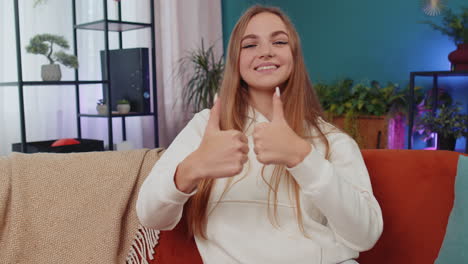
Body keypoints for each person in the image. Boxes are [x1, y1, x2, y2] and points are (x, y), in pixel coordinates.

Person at [136, 5, 383, 264]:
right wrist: (193, 167)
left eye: (278, 41)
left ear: (294, 55)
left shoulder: (332, 140)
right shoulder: (206, 128)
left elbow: (364, 236)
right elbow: (150, 216)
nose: (266, 52)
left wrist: (302, 157)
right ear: (235, 60)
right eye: (250, 45)